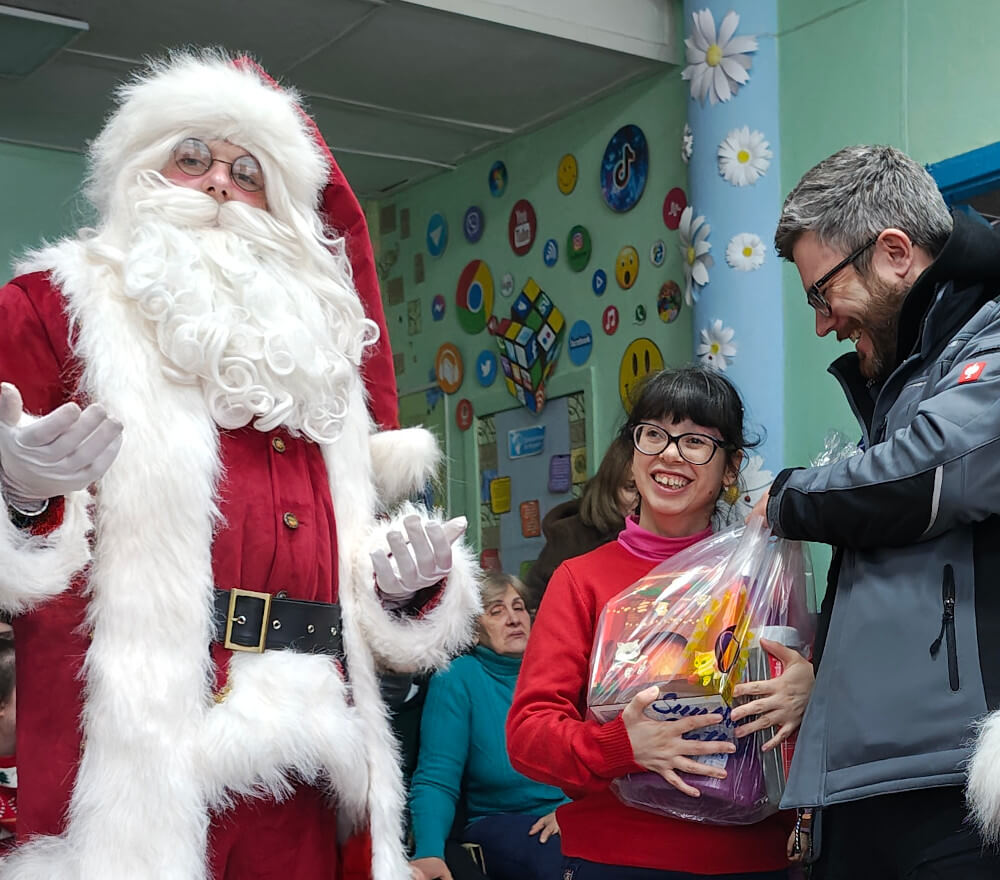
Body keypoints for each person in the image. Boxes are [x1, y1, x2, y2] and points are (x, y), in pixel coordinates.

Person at [0, 50, 482, 880]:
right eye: (193, 158)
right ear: (141, 170)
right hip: (139, 748)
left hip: (315, 751)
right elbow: (29, 529)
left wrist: (404, 593)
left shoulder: (322, 354)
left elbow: (341, 562)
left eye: (249, 171)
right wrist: (19, 493)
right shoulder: (53, 305)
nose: (221, 184)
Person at [753, 144, 1000, 879]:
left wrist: (789, 497)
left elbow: (929, 477)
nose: (824, 323)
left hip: (950, 790)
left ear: (894, 252)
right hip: (873, 784)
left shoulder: (986, 342)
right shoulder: (908, 376)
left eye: (823, 293)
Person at [507, 366, 813, 880]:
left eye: (696, 441)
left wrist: (810, 695)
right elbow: (528, 735)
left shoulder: (765, 576)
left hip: (753, 860)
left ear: (732, 467)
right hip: (621, 858)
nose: (670, 454)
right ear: (632, 452)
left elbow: (807, 738)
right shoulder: (580, 580)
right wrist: (624, 747)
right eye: (654, 434)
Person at [409, 572, 567, 880]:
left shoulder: (559, 669)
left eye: (519, 607)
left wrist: (576, 813)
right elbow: (437, 777)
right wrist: (429, 852)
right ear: (472, 632)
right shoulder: (458, 678)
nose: (513, 619)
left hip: (572, 816)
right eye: (496, 611)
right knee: (565, 862)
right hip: (504, 821)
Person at [524, 434, 636, 606]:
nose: (642, 498)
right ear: (610, 490)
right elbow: (534, 604)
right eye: (631, 487)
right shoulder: (570, 539)